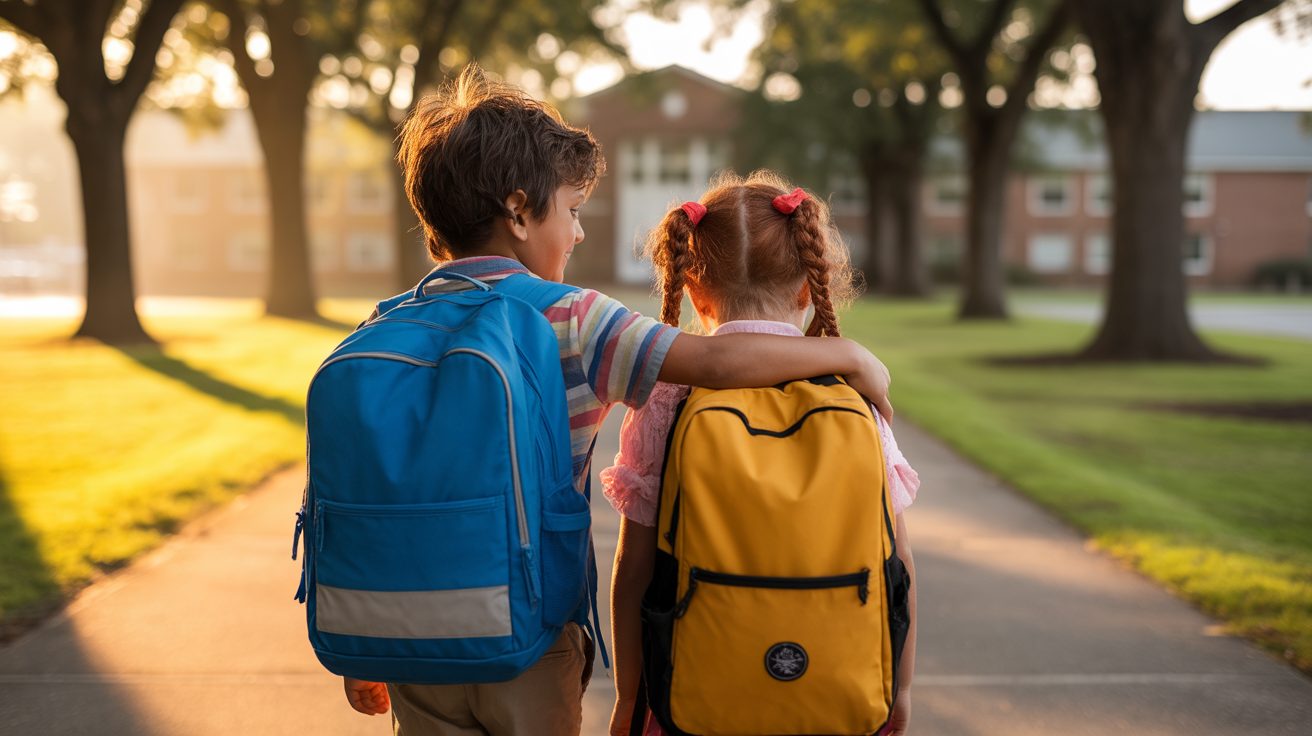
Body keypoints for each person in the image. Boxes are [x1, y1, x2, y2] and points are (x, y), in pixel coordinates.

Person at [339, 67, 896, 736]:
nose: (577, 233)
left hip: (411, 644)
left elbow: (371, 486)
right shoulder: (571, 321)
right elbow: (719, 359)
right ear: (519, 212)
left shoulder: (382, 327)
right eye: (572, 211)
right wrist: (849, 356)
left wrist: (368, 634)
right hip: (528, 638)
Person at [601, 171, 920, 736]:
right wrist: (900, 686)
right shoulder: (852, 394)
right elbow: (897, 563)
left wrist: (632, 695)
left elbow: (635, 569)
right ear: (806, 289)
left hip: (692, 689)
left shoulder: (668, 397)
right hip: (834, 684)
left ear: (695, 292)